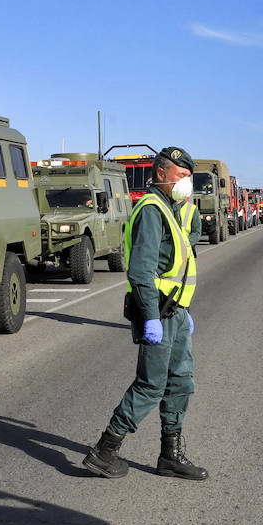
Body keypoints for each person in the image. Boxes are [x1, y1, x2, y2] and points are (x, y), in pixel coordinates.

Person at [84, 146, 207, 481]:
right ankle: (105, 450)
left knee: (181, 382)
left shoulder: (176, 209)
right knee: (151, 385)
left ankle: (171, 454)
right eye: (181, 176)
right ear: (160, 175)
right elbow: (140, 271)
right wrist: (150, 316)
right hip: (159, 313)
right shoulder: (152, 210)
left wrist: (184, 309)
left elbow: (180, 261)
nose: (187, 183)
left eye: (189, 177)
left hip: (176, 312)